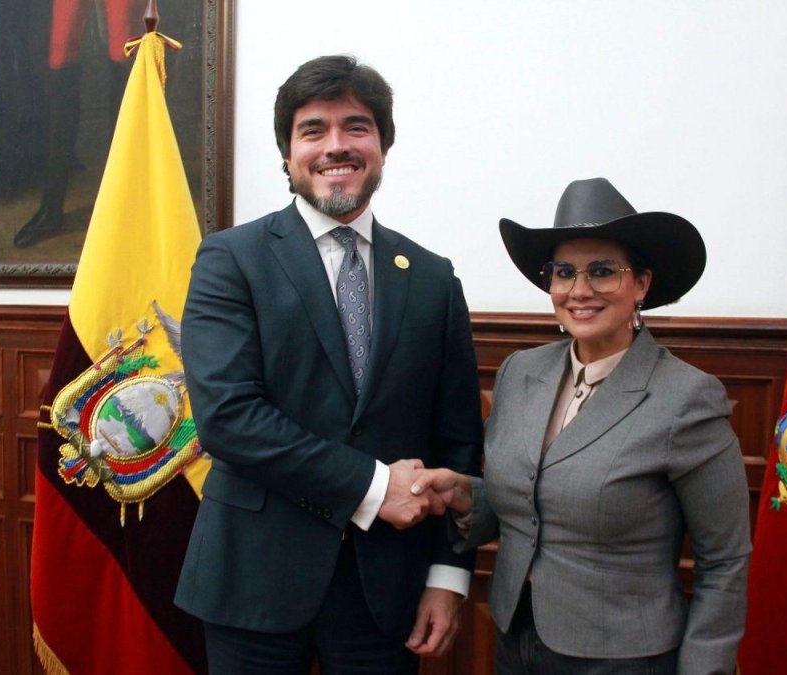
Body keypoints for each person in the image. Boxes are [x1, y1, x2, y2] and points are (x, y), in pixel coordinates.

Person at [174, 55, 483, 673]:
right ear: (287, 153)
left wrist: (448, 576)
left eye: (356, 126)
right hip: (253, 584)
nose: (335, 146)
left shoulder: (432, 278)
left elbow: (458, 441)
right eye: (313, 130)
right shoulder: (229, 260)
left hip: (386, 592)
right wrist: (374, 488)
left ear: (383, 145)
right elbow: (229, 419)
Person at [413, 178, 751, 673]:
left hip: (624, 658)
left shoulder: (686, 398)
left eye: (603, 272)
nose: (580, 290)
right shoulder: (519, 373)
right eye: (564, 271)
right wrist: (468, 495)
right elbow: (532, 507)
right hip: (514, 640)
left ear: (641, 284)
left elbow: (725, 562)